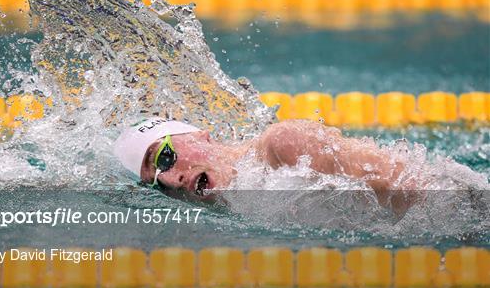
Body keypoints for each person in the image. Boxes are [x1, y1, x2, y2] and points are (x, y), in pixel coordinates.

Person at [114, 117, 419, 214]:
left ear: (198, 135)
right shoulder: (241, 205)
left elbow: (414, 196)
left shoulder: (284, 145)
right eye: (155, 181)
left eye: (164, 157)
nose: (170, 180)